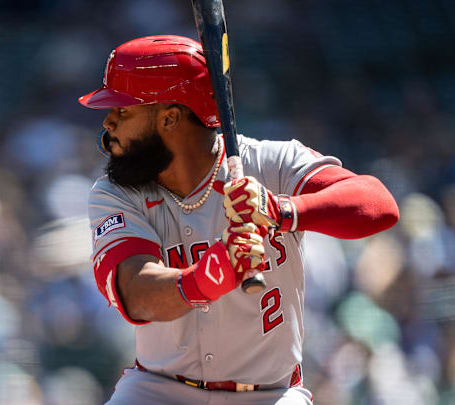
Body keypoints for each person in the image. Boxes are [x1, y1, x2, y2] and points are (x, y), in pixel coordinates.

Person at [79, 35, 399, 405]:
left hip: (272, 394)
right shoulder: (115, 193)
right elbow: (137, 294)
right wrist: (211, 274)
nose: (108, 122)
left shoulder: (269, 164)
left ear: (170, 118)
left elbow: (378, 205)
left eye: (123, 111)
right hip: (158, 390)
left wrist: (282, 211)